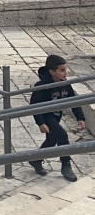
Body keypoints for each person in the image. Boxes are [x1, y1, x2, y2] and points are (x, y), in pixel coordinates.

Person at [29, 54, 86, 182]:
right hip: (46, 115)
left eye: (66, 69)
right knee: (62, 136)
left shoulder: (65, 84)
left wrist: (80, 117)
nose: (66, 73)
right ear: (52, 71)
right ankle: (66, 165)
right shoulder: (42, 86)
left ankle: (35, 159)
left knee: (51, 140)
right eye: (62, 70)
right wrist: (40, 123)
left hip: (56, 114)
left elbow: (73, 101)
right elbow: (34, 105)